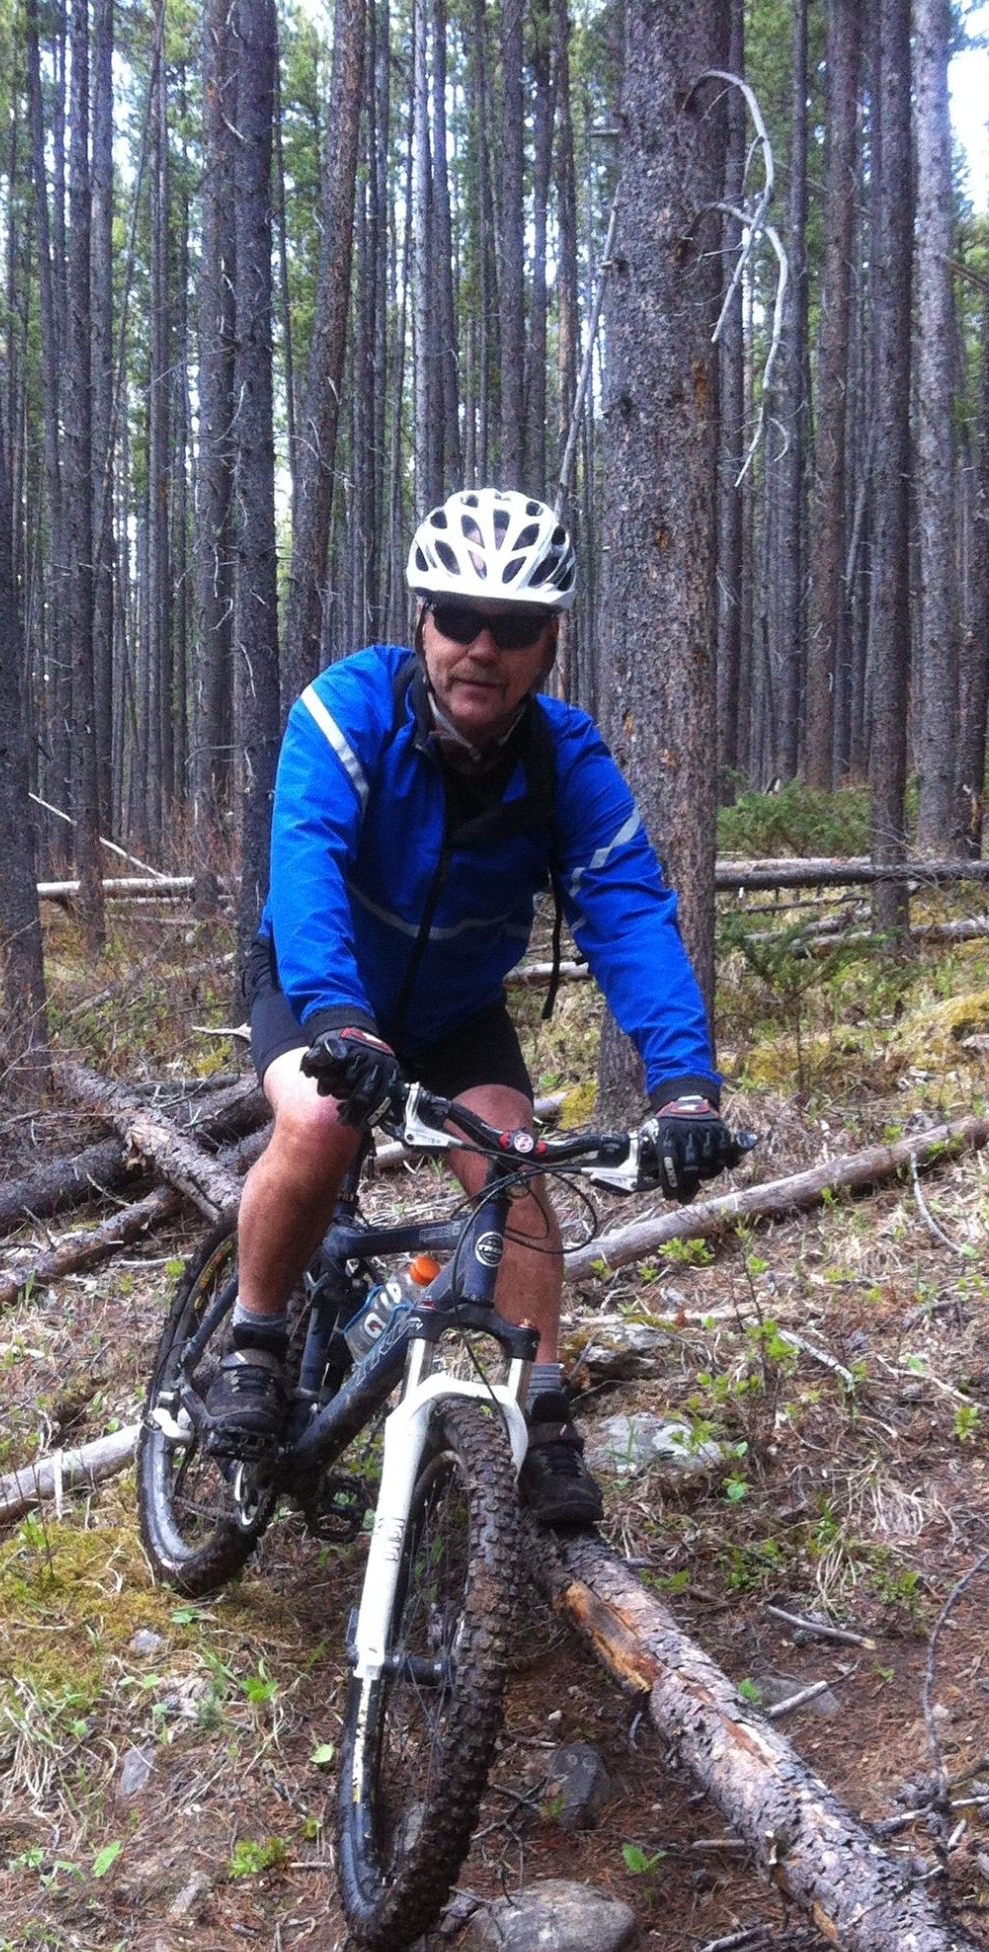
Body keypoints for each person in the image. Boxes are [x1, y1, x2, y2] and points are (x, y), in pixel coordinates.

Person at [209, 486, 740, 1528]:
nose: (480, 650)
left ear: (550, 644)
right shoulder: (342, 713)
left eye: (514, 628)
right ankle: (253, 1340)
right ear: (421, 621)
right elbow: (306, 868)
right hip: (319, 991)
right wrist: (337, 1021)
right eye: (458, 617)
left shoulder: (565, 763)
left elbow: (628, 917)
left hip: (454, 1010)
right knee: (318, 1123)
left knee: (515, 1169)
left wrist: (682, 1087)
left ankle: (539, 1414)